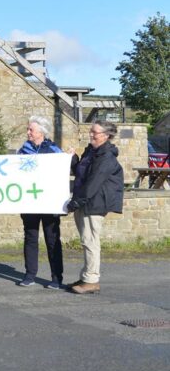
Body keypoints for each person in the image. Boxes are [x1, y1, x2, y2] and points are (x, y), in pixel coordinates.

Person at [66, 120, 124, 295]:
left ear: (106, 136)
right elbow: (81, 173)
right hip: (86, 201)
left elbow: (93, 183)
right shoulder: (91, 151)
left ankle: (91, 280)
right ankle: (86, 277)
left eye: (95, 132)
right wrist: (74, 159)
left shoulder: (106, 157)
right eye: (91, 131)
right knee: (86, 240)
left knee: (91, 241)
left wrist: (75, 203)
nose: (91, 134)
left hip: (95, 203)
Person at [16, 115, 65, 289]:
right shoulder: (22, 150)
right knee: (30, 238)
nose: (28, 132)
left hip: (49, 201)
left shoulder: (54, 150)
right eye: (28, 129)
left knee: (52, 239)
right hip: (29, 202)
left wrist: (72, 158)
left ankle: (56, 277)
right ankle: (30, 275)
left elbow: (66, 168)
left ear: (41, 132)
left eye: (31, 129)